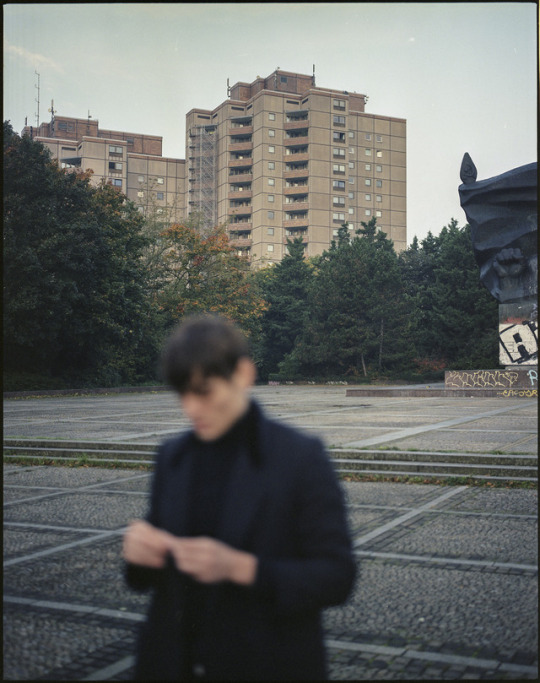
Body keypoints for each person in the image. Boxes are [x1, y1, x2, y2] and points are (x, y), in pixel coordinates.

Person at [123, 314, 356, 681]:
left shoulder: (300, 457)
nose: (190, 409)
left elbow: (338, 576)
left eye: (204, 391)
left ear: (244, 374)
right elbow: (146, 578)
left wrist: (240, 568)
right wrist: (138, 555)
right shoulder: (172, 456)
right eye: (182, 393)